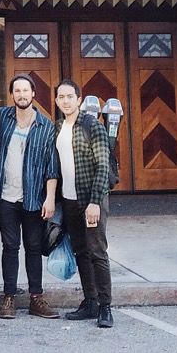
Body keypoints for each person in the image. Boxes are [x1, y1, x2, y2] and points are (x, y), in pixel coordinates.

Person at [0, 74, 60, 319]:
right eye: (17, 91)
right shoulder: (2, 117)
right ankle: (9, 297)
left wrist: (50, 198)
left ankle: (36, 298)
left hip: (34, 198)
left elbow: (52, 167)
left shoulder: (46, 126)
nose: (21, 95)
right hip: (6, 198)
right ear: (12, 94)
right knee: (9, 247)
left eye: (25, 90)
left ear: (33, 94)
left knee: (33, 247)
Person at [53, 78, 113, 328]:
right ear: (56, 101)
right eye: (61, 97)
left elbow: (102, 166)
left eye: (70, 97)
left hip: (91, 199)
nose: (65, 101)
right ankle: (89, 301)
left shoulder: (92, 126)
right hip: (69, 200)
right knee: (80, 252)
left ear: (79, 99)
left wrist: (95, 202)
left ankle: (105, 306)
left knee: (97, 251)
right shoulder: (58, 127)